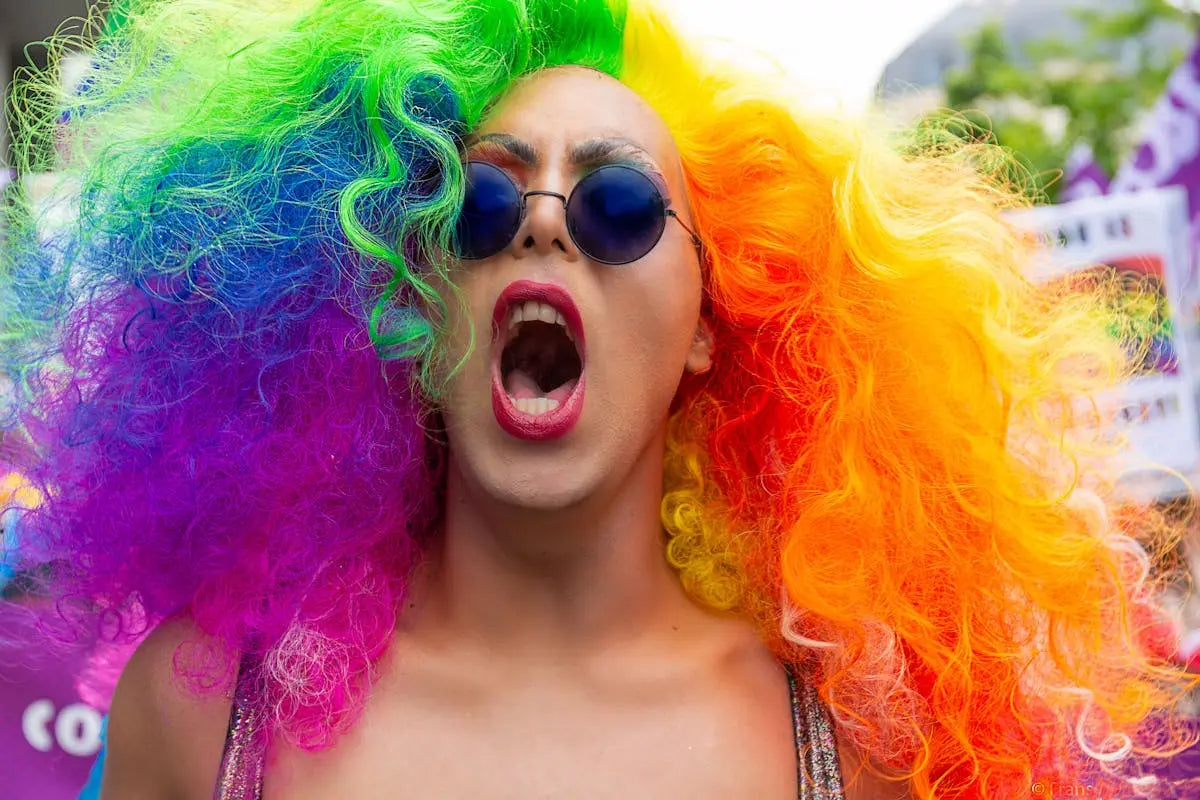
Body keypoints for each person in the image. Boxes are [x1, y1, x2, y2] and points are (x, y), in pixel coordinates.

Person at [0, 0, 1192, 797]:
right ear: (414, 298)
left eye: (619, 207)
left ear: (711, 331)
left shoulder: (858, 750)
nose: (541, 220)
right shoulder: (200, 710)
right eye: (481, 201)